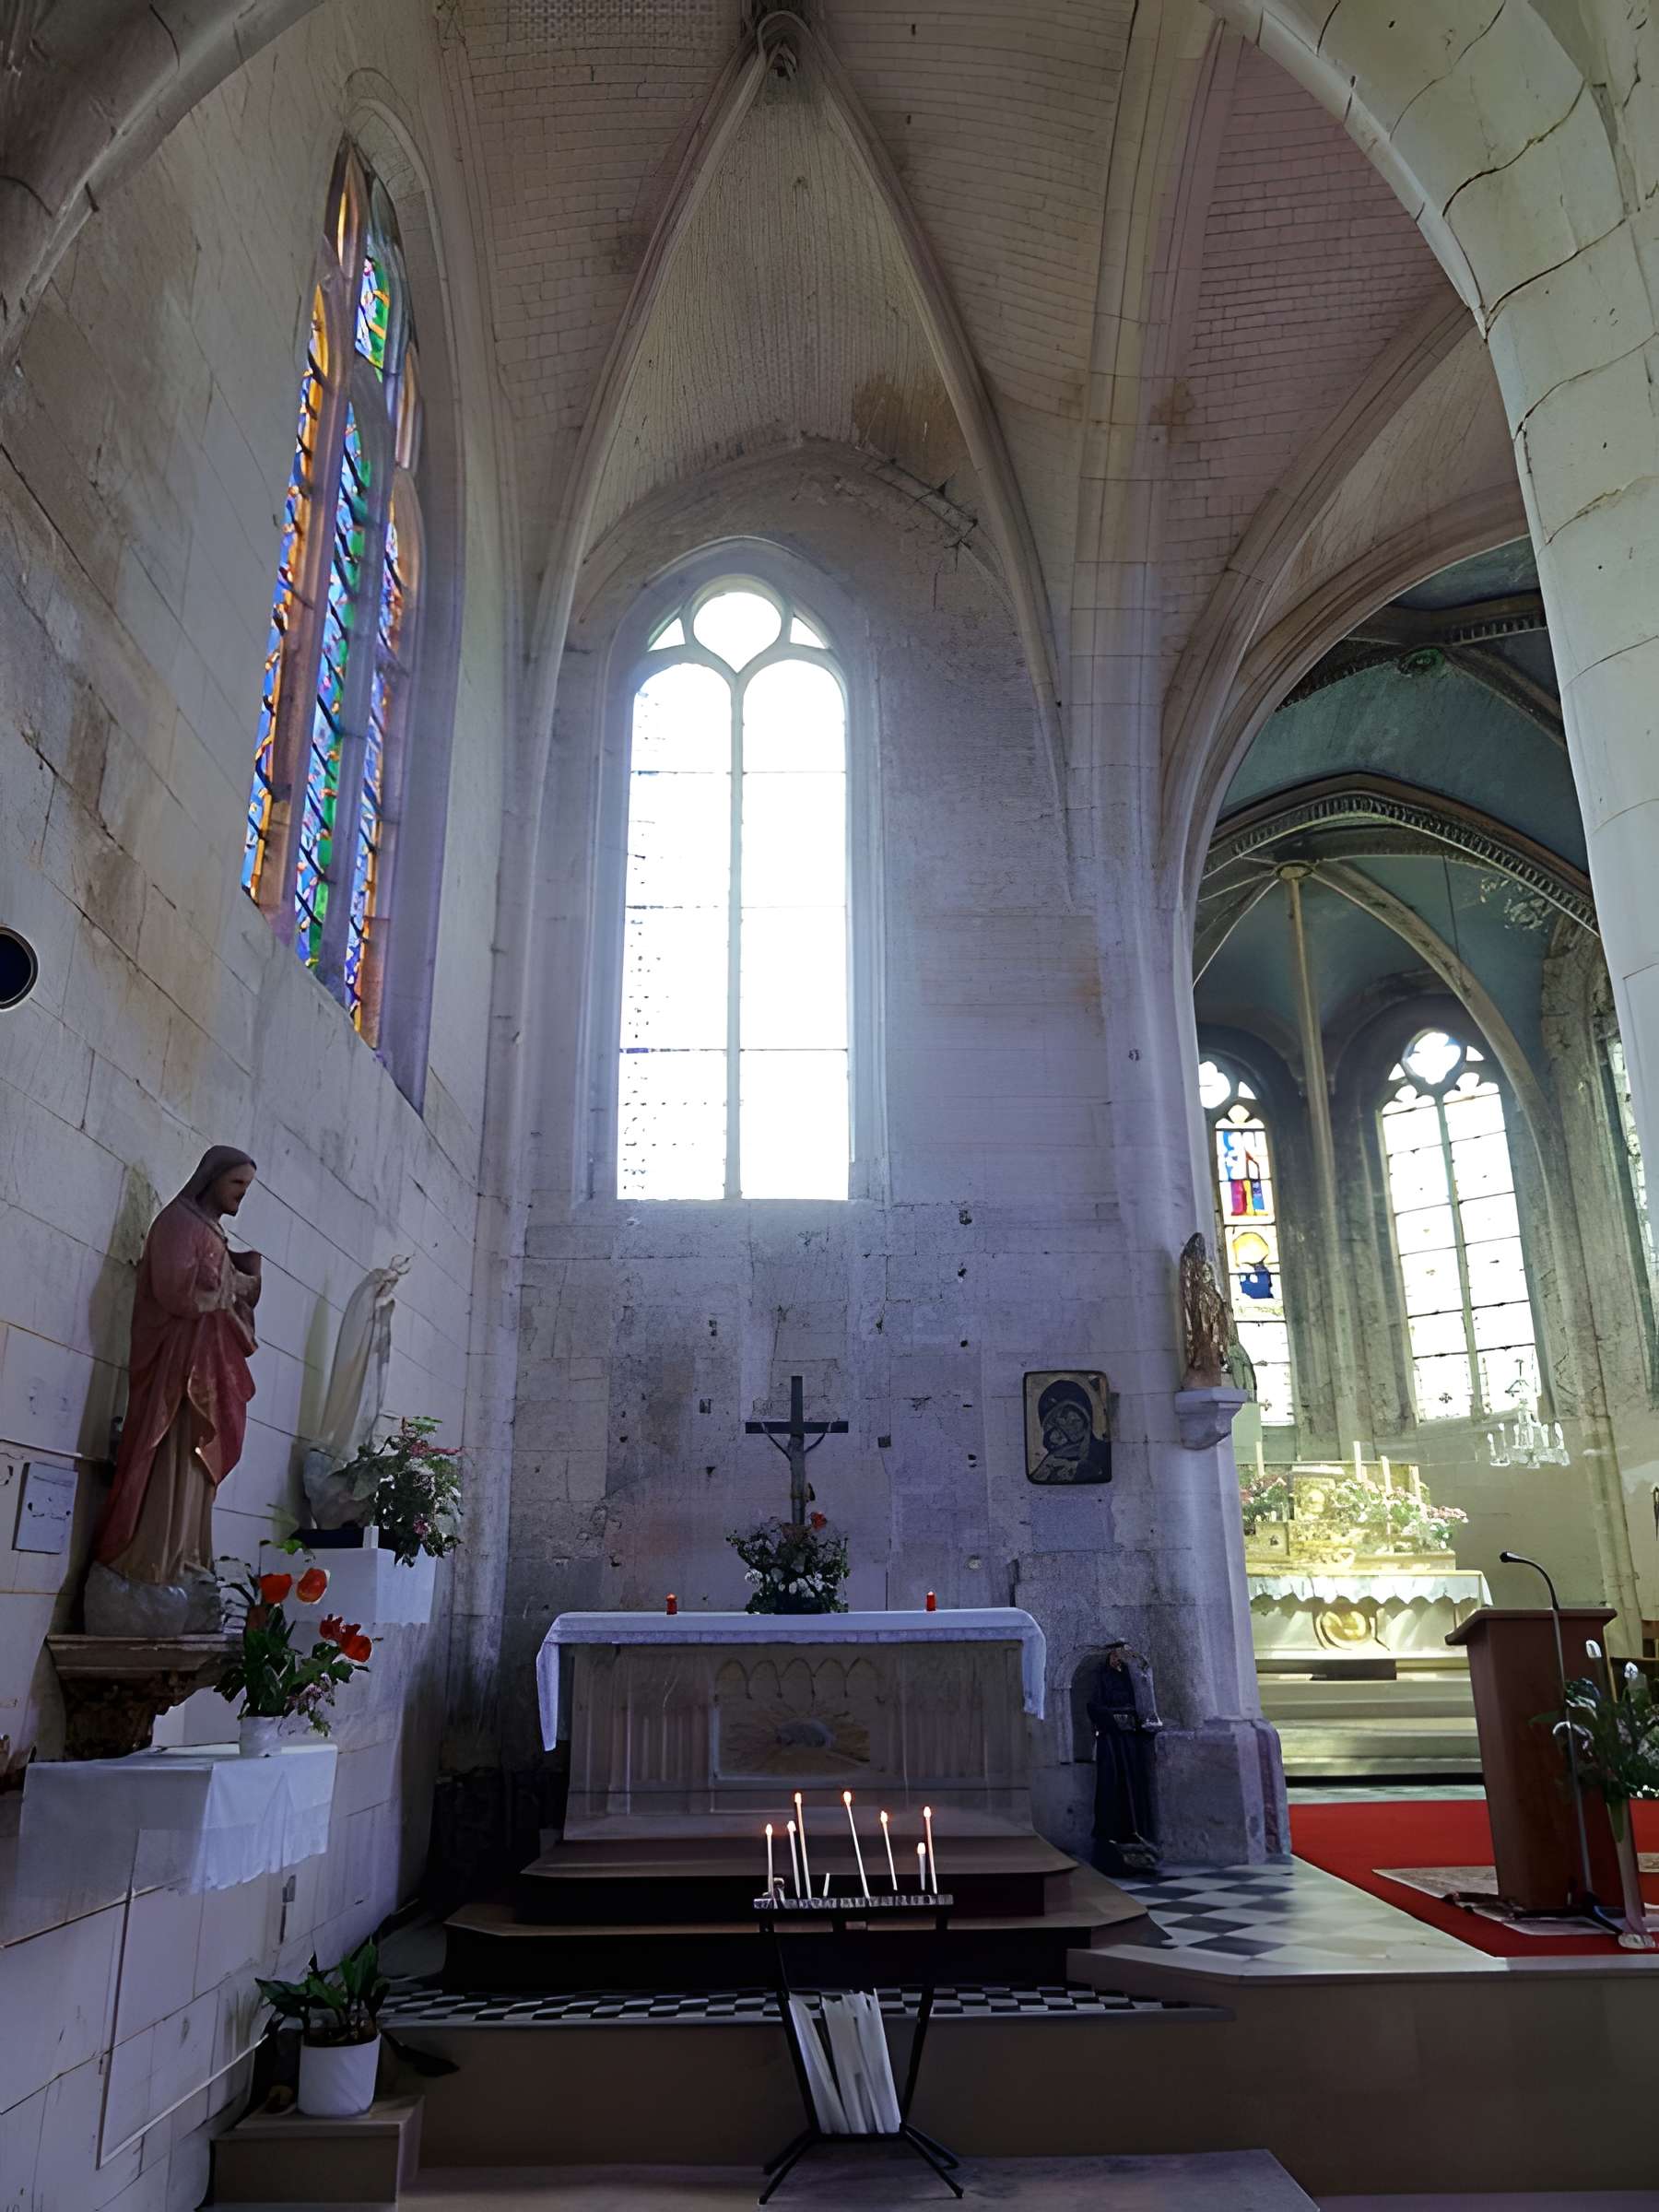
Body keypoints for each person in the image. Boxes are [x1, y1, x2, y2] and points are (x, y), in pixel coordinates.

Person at [90, 1147, 261, 1630]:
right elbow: (175, 1292)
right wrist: (234, 1287)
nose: (241, 1197)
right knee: (168, 1464)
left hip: (204, 1374)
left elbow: (220, 1293)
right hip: (175, 1380)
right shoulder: (178, 1223)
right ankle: (148, 1563)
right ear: (211, 1180)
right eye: (237, 1186)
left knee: (196, 1470)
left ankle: (183, 1562)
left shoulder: (211, 1232)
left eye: (246, 1188)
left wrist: (242, 1282)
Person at [1028, 1376, 1111, 1484]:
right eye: (1053, 1422)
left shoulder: (1104, 1452)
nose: (1063, 1423)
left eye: (1065, 1413)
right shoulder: (1050, 1464)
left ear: (1084, 1414)